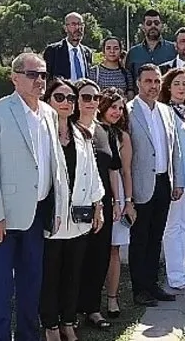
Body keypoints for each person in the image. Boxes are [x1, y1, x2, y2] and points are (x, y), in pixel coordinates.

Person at [0, 53, 69, 341]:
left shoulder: (50, 114)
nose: (39, 80)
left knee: (31, 287)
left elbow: (53, 165)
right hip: (2, 219)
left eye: (43, 74)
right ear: (14, 77)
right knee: (2, 291)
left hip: (37, 215)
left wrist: (57, 207)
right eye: (32, 74)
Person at [39, 79, 104, 341]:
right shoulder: (42, 134)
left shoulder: (82, 134)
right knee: (51, 275)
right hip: (51, 218)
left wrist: (98, 205)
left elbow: (93, 175)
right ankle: (51, 325)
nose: (66, 102)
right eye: (59, 97)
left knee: (74, 274)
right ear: (48, 100)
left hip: (79, 218)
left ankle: (68, 322)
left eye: (70, 98)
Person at [127, 64, 184, 306]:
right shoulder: (128, 112)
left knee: (156, 237)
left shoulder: (166, 111)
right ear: (139, 83)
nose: (153, 86)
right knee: (139, 238)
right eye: (148, 81)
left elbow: (175, 149)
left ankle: (153, 284)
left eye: (156, 81)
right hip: (140, 184)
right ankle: (140, 289)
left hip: (163, 181)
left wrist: (177, 179)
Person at [73, 79, 115, 329]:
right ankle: (71, 311)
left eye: (95, 98)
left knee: (99, 259)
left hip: (103, 205)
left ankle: (92, 308)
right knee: (76, 260)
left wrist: (119, 201)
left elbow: (113, 169)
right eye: (85, 97)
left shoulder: (104, 131)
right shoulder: (68, 130)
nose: (91, 102)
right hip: (76, 206)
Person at [159, 68, 185, 291]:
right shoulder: (165, 112)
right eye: (177, 83)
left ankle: (181, 269)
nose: (182, 88)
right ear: (168, 87)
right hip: (177, 180)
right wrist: (176, 181)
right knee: (173, 227)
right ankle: (174, 275)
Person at [97, 88, 135, 319]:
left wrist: (128, 201)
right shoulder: (90, 130)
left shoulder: (123, 136)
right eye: (113, 107)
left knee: (114, 249)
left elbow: (126, 171)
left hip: (118, 194)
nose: (117, 112)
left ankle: (112, 299)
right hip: (96, 192)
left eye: (121, 108)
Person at [125, 9, 177, 78]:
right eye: (149, 23)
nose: (153, 26)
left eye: (156, 23)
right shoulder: (133, 53)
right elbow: (129, 79)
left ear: (161, 25)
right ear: (143, 27)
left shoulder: (173, 49)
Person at [43, 12, 93, 81]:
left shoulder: (87, 52)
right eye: (73, 24)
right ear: (65, 28)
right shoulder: (53, 51)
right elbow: (46, 78)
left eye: (80, 24)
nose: (78, 28)